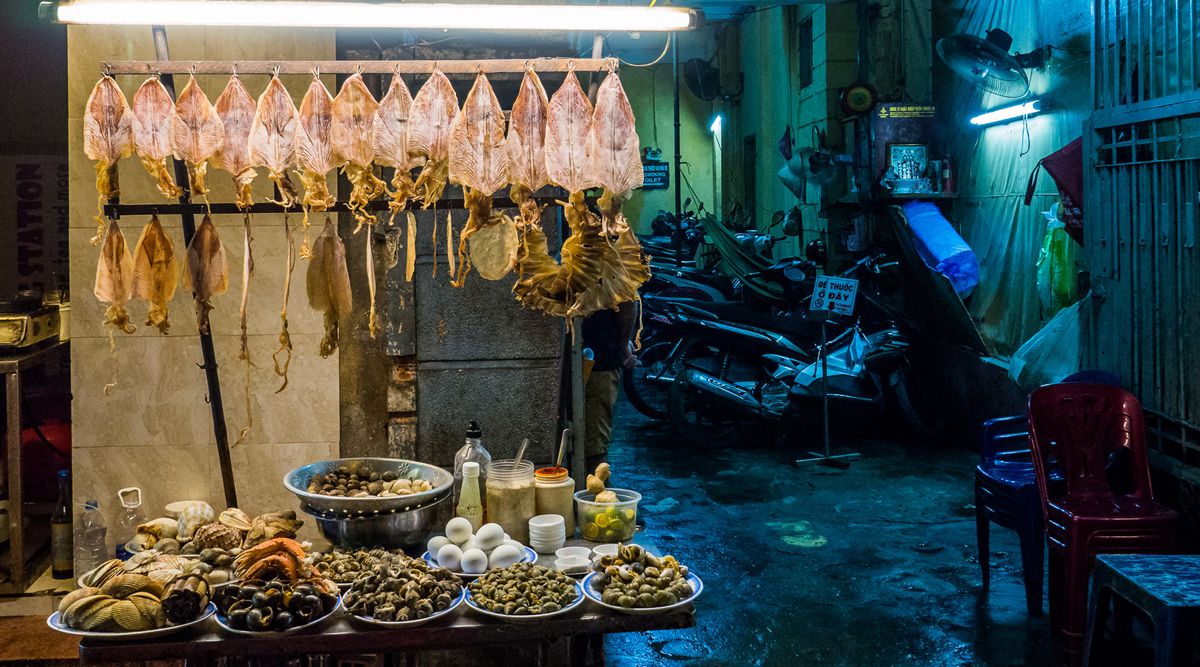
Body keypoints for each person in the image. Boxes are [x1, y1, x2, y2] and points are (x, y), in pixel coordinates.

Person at [581, 300, 638, 471]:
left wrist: (622, 344)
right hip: (596, 354)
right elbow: (629, 304)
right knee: (591, 440)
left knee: (595, 445)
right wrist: (623, 344)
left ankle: (598, 492)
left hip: (600, 359)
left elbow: (628, 303)